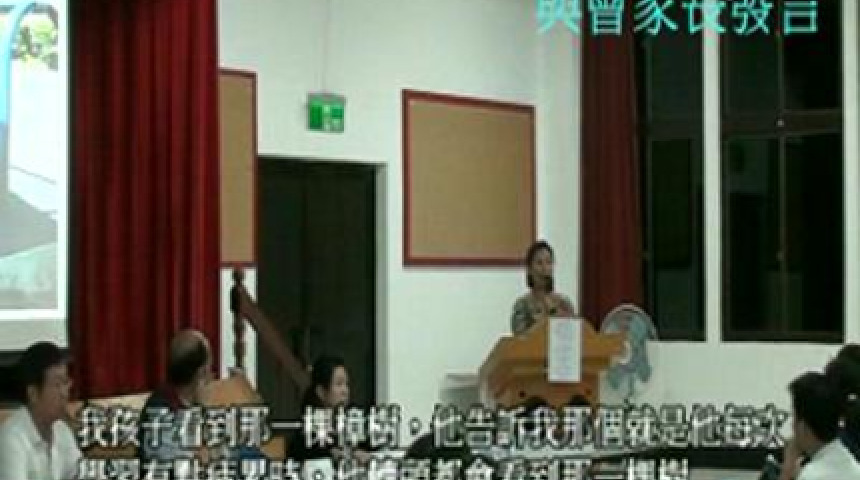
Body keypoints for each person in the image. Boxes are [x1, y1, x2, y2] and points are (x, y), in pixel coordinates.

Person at [0, 341, 81, 480]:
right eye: (57, 384)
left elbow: (78, 474)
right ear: (33, 394)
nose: (65, 393)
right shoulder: (11, 439)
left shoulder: (62, 430)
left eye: (66, 382)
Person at [137, 330, 214, 466]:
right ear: (201, 373)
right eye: (209, 369)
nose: (212, 376)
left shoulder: (195, 404)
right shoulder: (159, 412)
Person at [289, 355, 371, 463]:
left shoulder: (354, 420)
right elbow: (304, 454)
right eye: (339, 384)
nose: (345, 391)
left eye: (346, 384)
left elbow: (368, 447)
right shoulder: (307, 429)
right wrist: (331, 454)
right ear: (321, 391)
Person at [781, 372, 860, 480]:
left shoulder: (811, 475)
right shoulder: (853, 466)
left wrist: (788, 467)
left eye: (794, 418)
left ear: (803, 427)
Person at [511, 240, 575, 335]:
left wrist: (556, 312)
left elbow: (573, 334)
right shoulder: (522, 305)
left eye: (549, 262)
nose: (545, 268)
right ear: (529, 269)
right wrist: (545, 320)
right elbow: (520, 338)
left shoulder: (564, 302)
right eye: (539, 263)